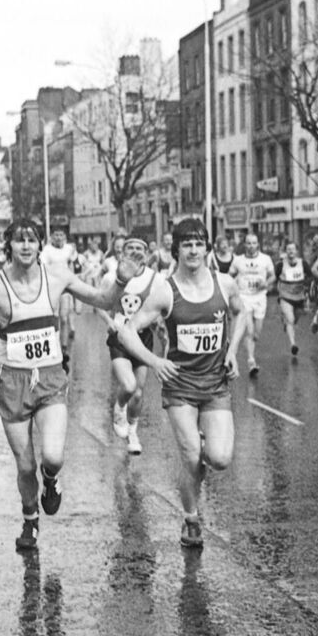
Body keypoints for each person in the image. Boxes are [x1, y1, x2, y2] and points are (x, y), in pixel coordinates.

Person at [0, 218, 138, 552]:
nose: (26, 245)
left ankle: (51, 482)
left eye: (32, 239)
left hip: (49, 378)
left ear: (40, 245)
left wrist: (121, 279)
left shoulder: (57, 277)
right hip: (13, 382)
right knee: (25, 465)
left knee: (52, 456)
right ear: (10, 246)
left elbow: (104, 300)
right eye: (19, 240)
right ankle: (30, 520)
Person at [117, 217, 246, 549]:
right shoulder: (165, 289)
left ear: (207, 248)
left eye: (199, 243)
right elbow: (127, 331)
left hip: (216, 383)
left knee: (218, 458)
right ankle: (191, 518)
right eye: (187, 244)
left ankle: (194, 472)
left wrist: (232, 351)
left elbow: (240, 313)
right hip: (180, 386)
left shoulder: (225, 283)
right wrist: (155, 361)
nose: (193, 250)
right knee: (190, 456)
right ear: (177, 249)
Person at [98, 238, 156, 453]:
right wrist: (110, 322)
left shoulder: (155, 278)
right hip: (120, 336)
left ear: (147, 253)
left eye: (139, 248)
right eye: (129, 248)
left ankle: (133, 431)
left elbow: (161, 306)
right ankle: (119, 407)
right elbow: (100, 303)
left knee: (139, 394)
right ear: (121, 253)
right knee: (129, 386)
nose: (134, 251)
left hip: (143, 337)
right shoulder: (111, 276)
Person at [228, 233, 275, 377]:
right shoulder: (238, 261)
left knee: (256, 334)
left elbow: (273, 276)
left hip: (260, 298)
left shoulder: (265, 259)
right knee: (249, 330)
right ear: (244, 245)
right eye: (248, 243)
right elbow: (229, 276)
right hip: (244, 297)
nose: (251, 246)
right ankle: (251, 361)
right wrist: (234, 286)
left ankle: (249, 352)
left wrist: (266, 283)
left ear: (258, 245)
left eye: (254, 243)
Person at [41, 225, 80, 369]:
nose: (58, 238)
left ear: (65, 237)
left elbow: (76, 268)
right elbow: (42, 267)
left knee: (64, 318)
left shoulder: (70, 250)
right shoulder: (47, 251)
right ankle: (53, 348)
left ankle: (64, 348)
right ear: (51, 236)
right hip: (51, 288)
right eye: (56, 235)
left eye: (61, 235)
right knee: (53, 319)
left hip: (65, 288)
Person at [275, 240, 313, 356]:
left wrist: (307, 288)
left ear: (296, 251)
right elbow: (276, 277)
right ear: (285, 251)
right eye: (288, 249)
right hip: (285, 296)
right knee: (290, 319)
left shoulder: (303, 263)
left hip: (299, 296)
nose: (291, 251)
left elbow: (310, 276)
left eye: (293, 249)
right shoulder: (281, 265)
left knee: (294, 320)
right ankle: (293, 344)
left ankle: (287, 323)